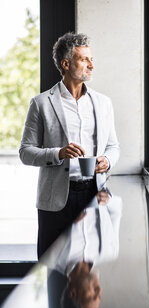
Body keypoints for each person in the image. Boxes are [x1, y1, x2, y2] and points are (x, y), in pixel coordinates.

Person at [19, 33, 120, 258]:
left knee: (87, 269)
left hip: (94, 195)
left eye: (91, 59)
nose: (91, 65)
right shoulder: (41, 103)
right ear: (66, 64)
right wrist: (59, 153)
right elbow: (25, 152)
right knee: (52, 268)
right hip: (55, 202)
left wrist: (107, 160)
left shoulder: (103, 103)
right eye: (84, 59)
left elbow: (113, 146)